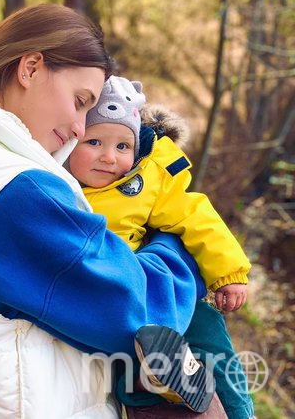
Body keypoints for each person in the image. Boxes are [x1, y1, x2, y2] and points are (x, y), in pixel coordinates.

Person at [0, 4, 211, 419]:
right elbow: (142, 314)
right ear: (30, 68)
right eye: (80, 101)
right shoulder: (14, 191)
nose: (81, 128)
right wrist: (176, 241)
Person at [67, 75, 255, 418]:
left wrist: (229, 272)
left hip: (159, 288)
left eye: (122, 147)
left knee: (210, 337)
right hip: (114, 296)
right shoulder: (58, 185)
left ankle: (239, 410)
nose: (109, 157)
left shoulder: (145, 181)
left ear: (136, 148)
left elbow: (194, 215)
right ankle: (167, 383)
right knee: (125, 367)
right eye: (94, 142)